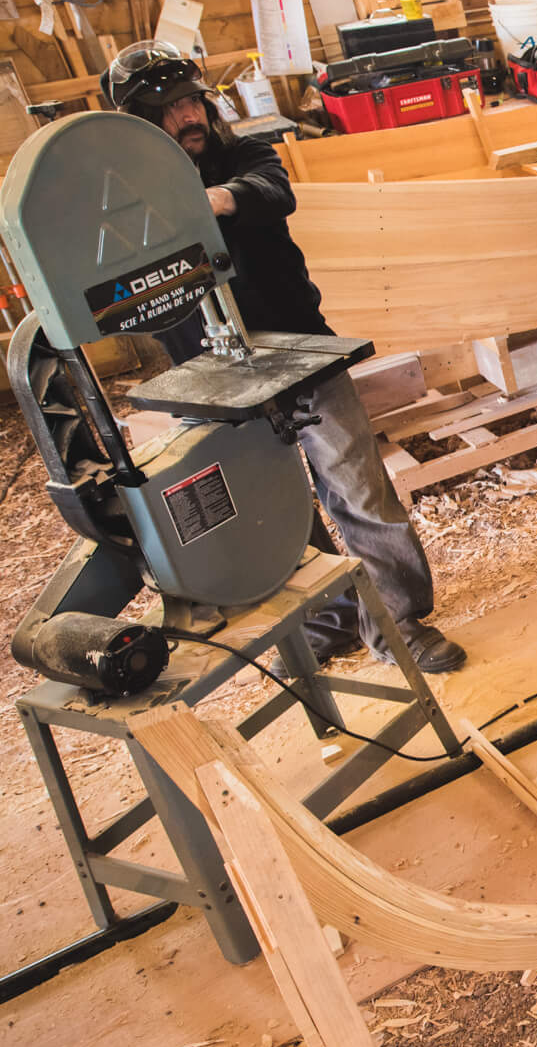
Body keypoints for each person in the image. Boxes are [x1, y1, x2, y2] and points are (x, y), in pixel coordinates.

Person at [102, 42, 464, 672]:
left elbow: (270, 191)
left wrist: (214, 199)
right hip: (214, 378)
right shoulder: (124, 200)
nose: (188, 115)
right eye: (169, 109)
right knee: (273, 509)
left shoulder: (245, 157)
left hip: (301, 351)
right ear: (137, 123)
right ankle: (328, 619)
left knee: (359, 492)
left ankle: (396, 623)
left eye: (193, 102)